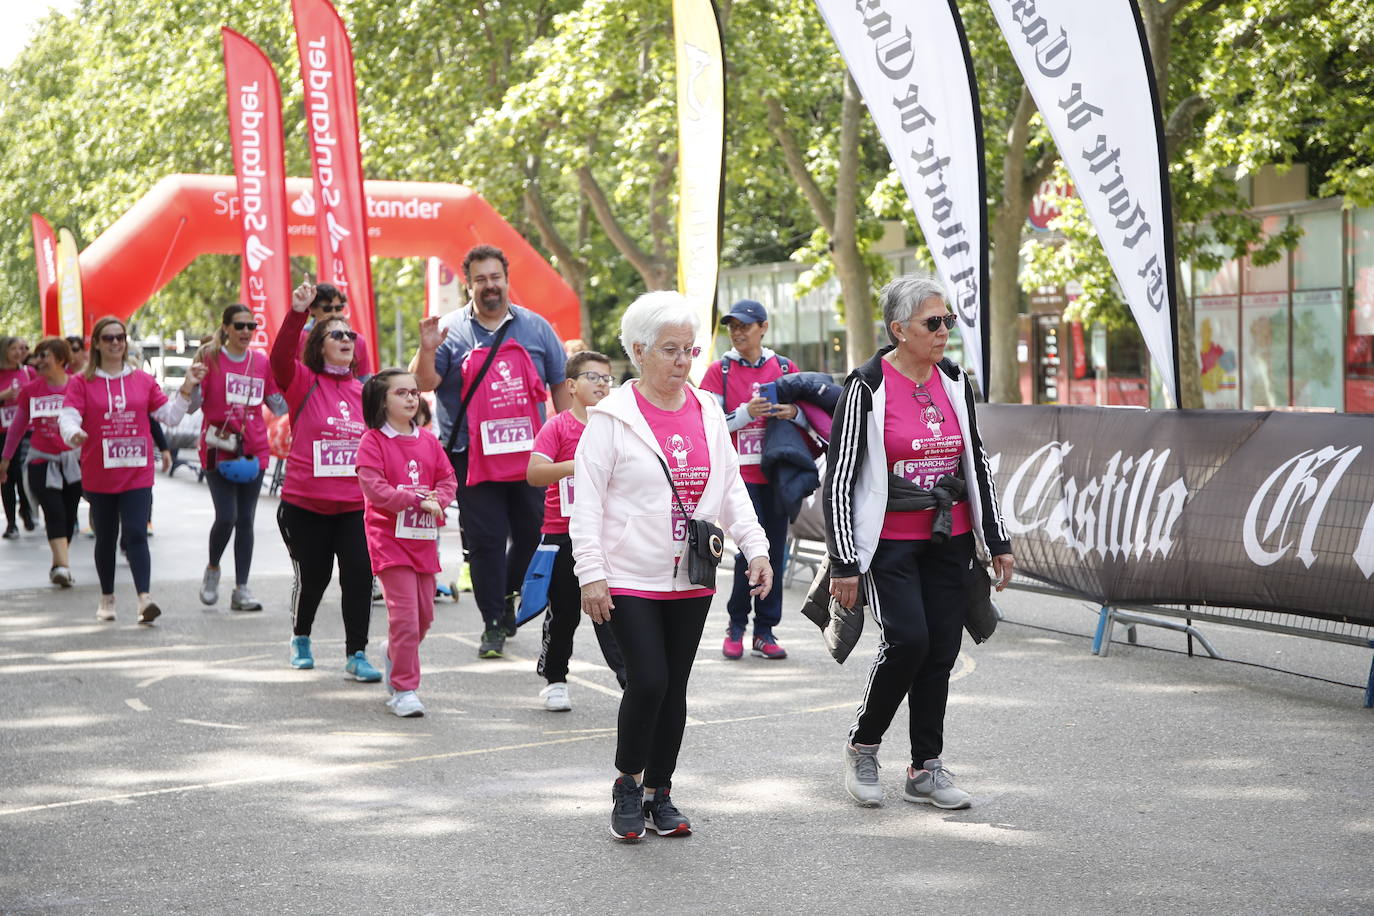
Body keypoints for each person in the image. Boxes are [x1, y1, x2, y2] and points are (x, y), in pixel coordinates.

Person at [572, 291, 773, 841]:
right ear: (638, 351)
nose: (683, 361)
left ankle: (661, 791)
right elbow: (585, 505)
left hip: (693, 574)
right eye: (670, 350)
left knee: (676, 685)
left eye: (689, 349)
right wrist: (590, 573)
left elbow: (730, 490)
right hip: (629, 576)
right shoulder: (610, 419)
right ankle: (627, 784)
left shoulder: (708, 411)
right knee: (650, 680)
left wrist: (756, 548)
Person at [825, 275, 1014, 810]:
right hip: (890, 544)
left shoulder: (954, 379)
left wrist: (996, 538)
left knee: (942, 651)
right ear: (898, 329)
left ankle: (925, 768)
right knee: (908, 641)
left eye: (948, 321)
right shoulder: (865, 386)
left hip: (949, 539)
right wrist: (844, 563)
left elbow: (973, 461)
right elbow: (840, 479)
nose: (944, 331)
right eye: (933, 322)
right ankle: (863, 747)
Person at [413, 244, 572, 659]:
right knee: (485, 541)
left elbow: (560, 382)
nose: (489, 286)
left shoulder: (536, 328)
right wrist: (427, 348)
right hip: (470, 455)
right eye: (480, 279)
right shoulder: (450, 329)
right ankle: (491, 623)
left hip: (530, 457)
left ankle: (505, 593)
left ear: (506, 279)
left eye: (495, 277)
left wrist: (570, 437)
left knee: (533, 534)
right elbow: (424, 384)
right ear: (469, 285)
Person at [59, 317, 204, 623]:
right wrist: (74, 433)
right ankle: (107, 597)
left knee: (137, 533)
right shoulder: (81, 382)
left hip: (137, 472)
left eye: (120, 337)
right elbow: (68, 416)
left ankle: (144, 599)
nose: (115, 343)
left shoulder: (143, 381)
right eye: (109, 338)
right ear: (97, 343)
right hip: (100, 473)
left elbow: (170, 416)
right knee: (106, 537)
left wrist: (188, 386)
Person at [271, 278, 381, 680]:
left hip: (353, 506)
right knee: (314, 577)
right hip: (306, 506)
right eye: (335, 333)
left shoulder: (365, 392)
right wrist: (297, 312)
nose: (346, 336)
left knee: (359, 575)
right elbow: (279, 358)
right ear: (318, 345)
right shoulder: (302, 381)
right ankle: (301, 636)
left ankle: (357, 653)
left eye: (349, 333)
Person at [698, 299, 804, 661]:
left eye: (745, 325)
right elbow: (707, 426)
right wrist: (745, 414)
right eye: (732, 326)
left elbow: (809, 416)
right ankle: (736, 626)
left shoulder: (786, 366)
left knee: (774, 552)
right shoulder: (719, 371)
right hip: (738, 478)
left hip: (777, 473)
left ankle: (765, 631)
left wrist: (793, 411)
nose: (738, 332)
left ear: (763, 328)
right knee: (748, 552)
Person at [526, 350, 628, 711]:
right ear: (571, 385)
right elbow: (534, 473)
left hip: (608, 534)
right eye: (593, 377)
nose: (602, 383)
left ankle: (629, 681)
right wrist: (575, 466)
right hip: (563, 533)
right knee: (565, 612)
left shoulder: (619, 425)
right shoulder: (558, 427)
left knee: (611, 611)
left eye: (607, 377)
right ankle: (555, 678)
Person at [356, 368, 457, 717]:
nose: (411, 398)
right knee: (405, 619)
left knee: (424, 617)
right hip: (388, 541)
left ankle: (393, 652)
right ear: (382, 401)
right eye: (401, 393)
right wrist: (416, 500)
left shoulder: (428, 440)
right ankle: (404, 688)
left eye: (414, 392)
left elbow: (446, 478)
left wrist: (439, 500)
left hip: (423, 540)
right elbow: (374, 488)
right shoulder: (373, 441)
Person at [194, 304, 277, 612]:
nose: (245, 332)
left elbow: (277, 405)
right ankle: (213, 569)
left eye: (250, 326)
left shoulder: (261, 362)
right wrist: (192, 384)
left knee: (246, 520)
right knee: (226, 516)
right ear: (226, 327)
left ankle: (242, 588)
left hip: (254, 448)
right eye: (239, 326)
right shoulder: (211, 358)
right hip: (219, 447)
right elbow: (193, 405)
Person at [0, 337, 80, 586]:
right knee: (53, 511)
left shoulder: (78, 386)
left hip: (72, 461)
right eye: (37, 356)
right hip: (40, 460)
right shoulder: (31, 390)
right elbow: (17, 426)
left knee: (68, 515)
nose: (37, 360)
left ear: (60, 359)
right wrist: (5, 459)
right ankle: (64, 568)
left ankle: (58, 563)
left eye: (44, 355)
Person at [0, 335, 37, 538]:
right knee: (6, 476)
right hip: (3, 432)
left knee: (22, 471)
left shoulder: (28, 372)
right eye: (13, 348)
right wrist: (3, 397)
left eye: (21, 348)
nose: (18, 352)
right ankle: (12, 522)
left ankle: (25, 506)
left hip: (26, 430)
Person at [296, 283, 374, 378]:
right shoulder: (298, 339)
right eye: (327, 309)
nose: (334, 314)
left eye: (338, 308)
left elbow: (363, 380)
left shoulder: (357, 340)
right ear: (312, 309)